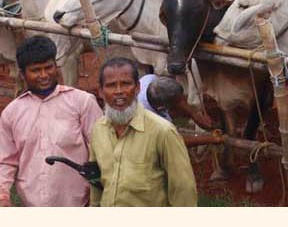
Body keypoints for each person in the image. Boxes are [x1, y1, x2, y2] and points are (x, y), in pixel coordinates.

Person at [0, 36, 103, 207]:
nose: (44, 75)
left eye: (49, 67)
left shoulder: (82, 102)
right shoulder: (12, 113)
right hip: (32, 207)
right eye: (36, 70)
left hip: (81, 205)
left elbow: (101, 150)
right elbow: (5, 161)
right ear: (22, 74)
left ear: (56, 66)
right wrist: (3, 196)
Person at [89, 57, 197, 206]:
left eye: (126, 84)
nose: (119, 91)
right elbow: (96, 182)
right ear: (100, 91)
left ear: (138, 88)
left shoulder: (163, 132)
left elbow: (183, 189)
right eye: (111, 85)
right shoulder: (98, 130)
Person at [137, 74, 213, 129]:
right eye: (176, 102)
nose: (182, 102)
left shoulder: (150, 79)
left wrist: (195, 116)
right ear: (163, 108)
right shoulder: (154, 120)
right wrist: (214, 139)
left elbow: (179, 98)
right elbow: (175, 140)